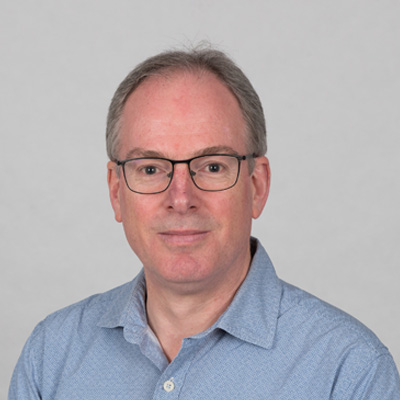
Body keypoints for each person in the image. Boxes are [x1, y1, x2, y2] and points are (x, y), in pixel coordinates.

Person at [9, 46, 400, 399]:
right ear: (116, 191)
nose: (181, 199)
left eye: (212, 166)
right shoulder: (51, 356)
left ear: (257, 186)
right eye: (150, 169)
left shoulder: (350, 372)